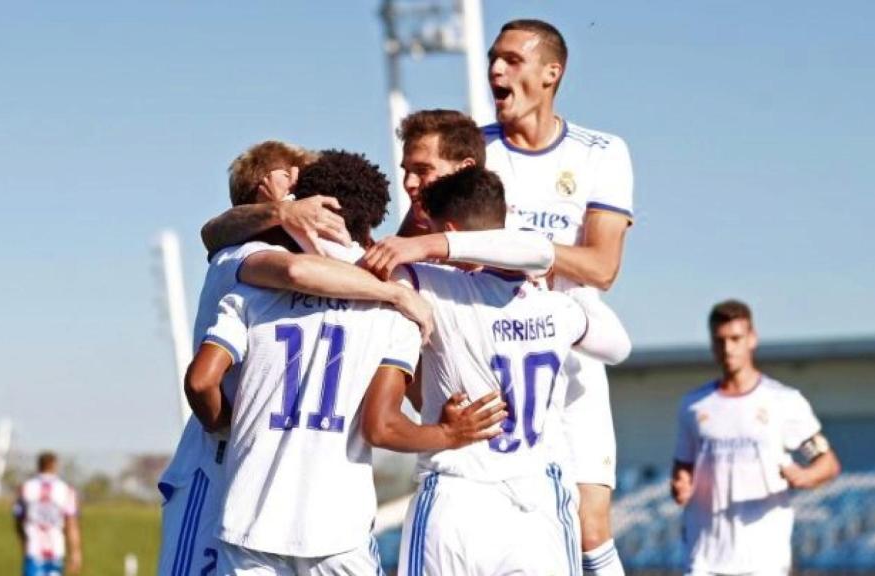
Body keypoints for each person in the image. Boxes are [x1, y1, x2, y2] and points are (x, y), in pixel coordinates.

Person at [184, 150, 505, 576]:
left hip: (249, 521)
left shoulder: (252, 287)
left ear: (307, 205)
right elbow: (381, 426)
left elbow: (201, 381)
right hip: (338, 530)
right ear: (372, 219)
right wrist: (447, 433)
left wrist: (226, 423)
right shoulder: (395, 309)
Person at [376, 167, 628, 576]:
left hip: (457, 494)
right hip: (538, 503)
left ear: (452, 234)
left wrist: (425, 245)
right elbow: (618, 346)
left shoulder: (435, 286)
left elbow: (380, 269)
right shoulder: (558, 308)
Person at [481, 19, 635, 576]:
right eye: (492, 59)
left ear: (552, 73)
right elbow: (422, 244)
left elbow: (602, 265)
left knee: (591, 524)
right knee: (504, 526)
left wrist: (516, 247)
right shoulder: (472, 150)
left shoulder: (602, 152)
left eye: (511, 60)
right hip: (491, 363)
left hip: (571, 361)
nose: (495, 70)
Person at [671, 300, 842, 576]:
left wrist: (804, 476)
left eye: (736, 339)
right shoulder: (693, 406)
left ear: (752, 339)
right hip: (704, 557)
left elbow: (828, 463)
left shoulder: (783, 401)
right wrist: (681, 485)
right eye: (720, 340)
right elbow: (683, 468)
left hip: (763, 559)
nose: (728, 348)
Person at [13, 452, 82, 576]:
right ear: (55, 466)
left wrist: (23, 543)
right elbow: (71, 524)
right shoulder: (65, 490)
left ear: (38, 466)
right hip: (56, 551)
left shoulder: (26, 488)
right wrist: (75, 552)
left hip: (33, 551)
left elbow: (18, 521)